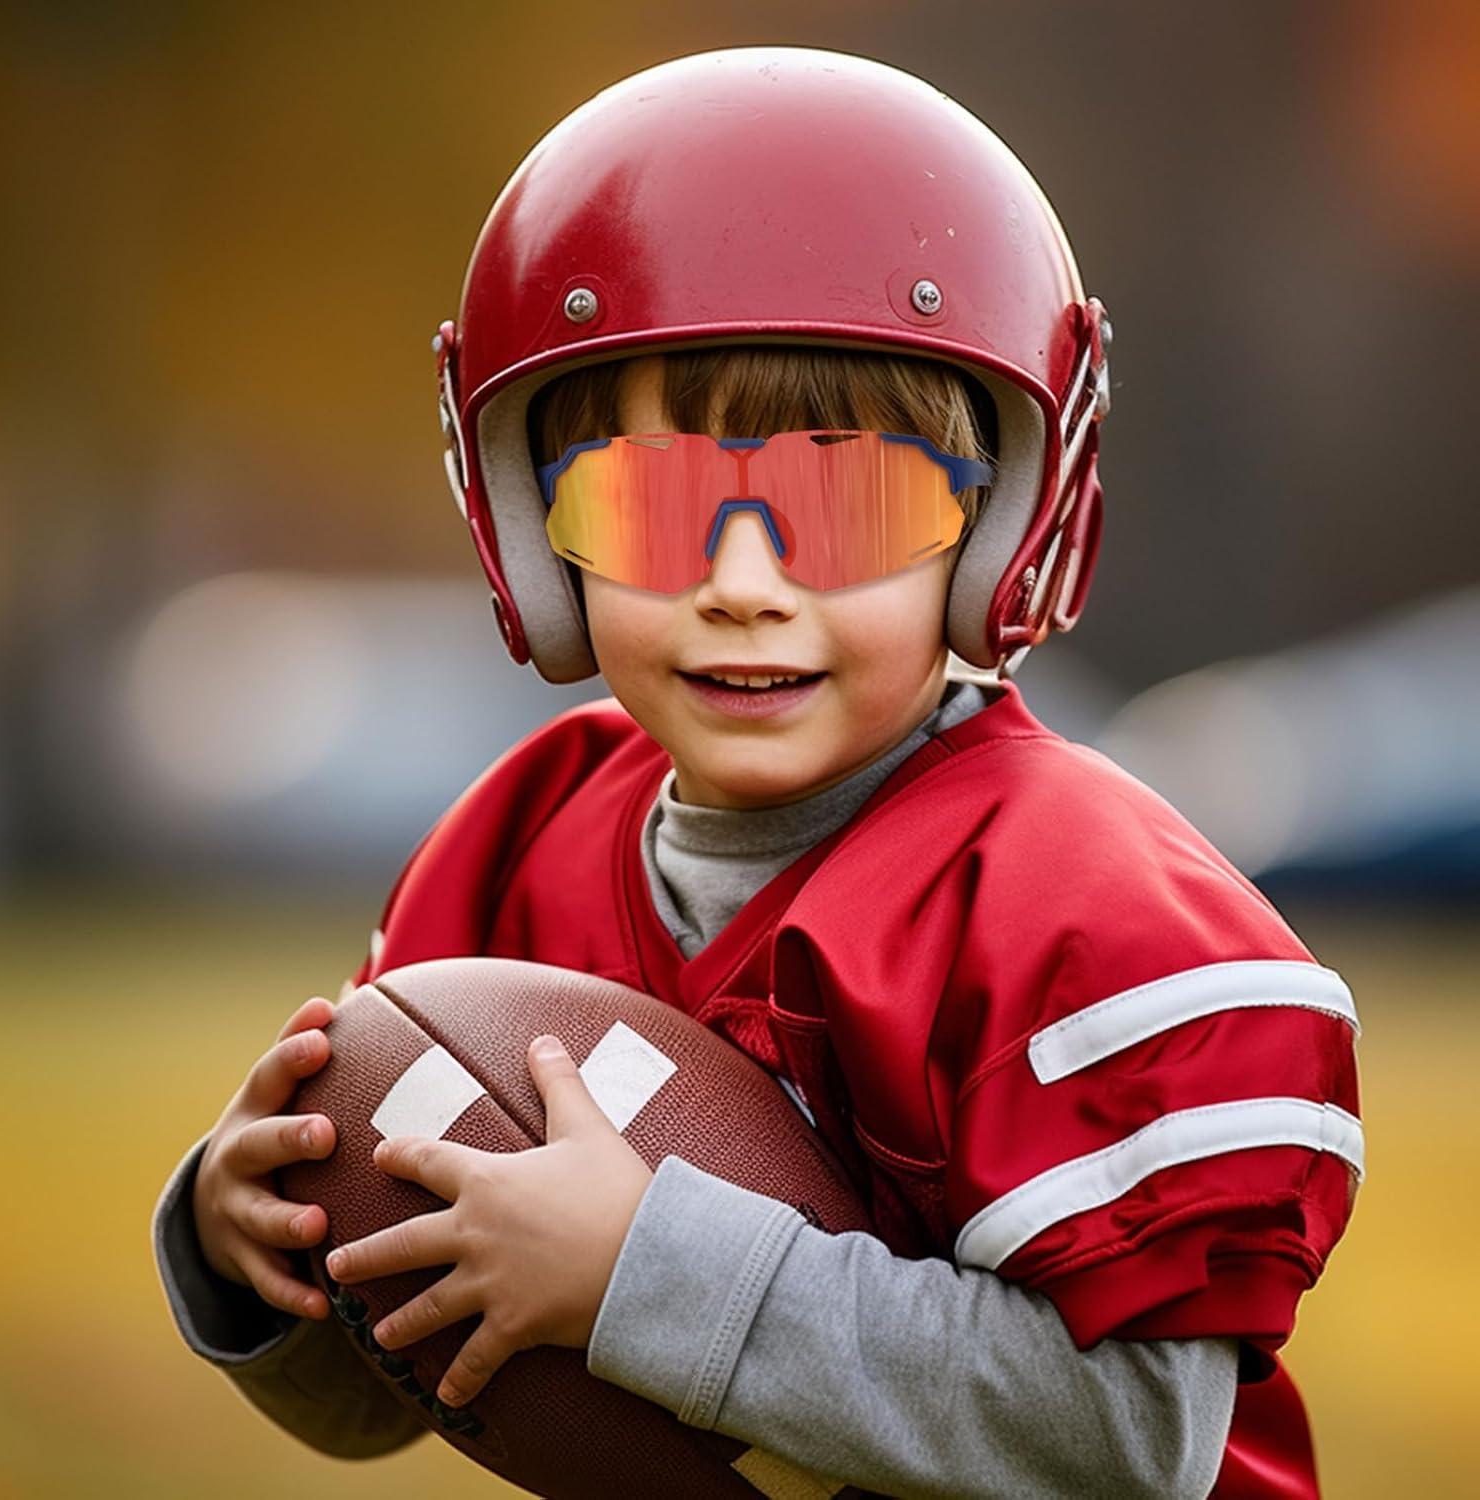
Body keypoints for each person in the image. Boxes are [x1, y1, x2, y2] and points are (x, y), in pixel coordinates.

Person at [151, 45, 1363, 1499]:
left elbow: (1132, 1446)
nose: (740, 586)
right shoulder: (522, 854)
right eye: (650, 506)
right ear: (540, 539)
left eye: (843, 504)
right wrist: (250, 1254)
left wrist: (649, 1276)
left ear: (1004, 534)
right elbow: (407, 1403)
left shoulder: (1066, 905)